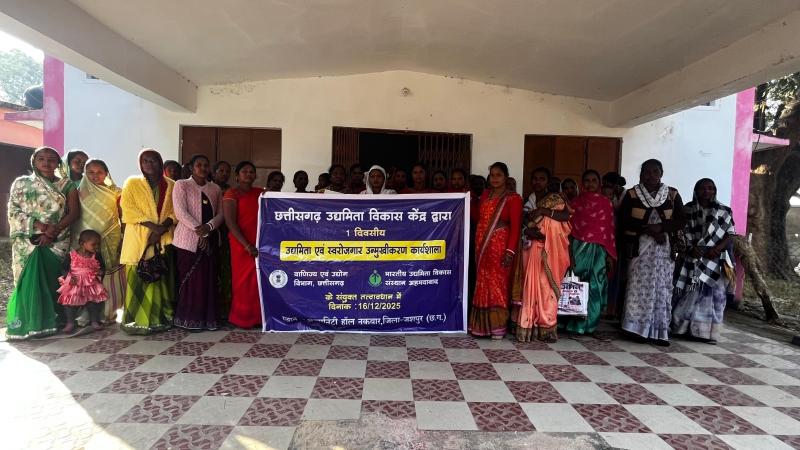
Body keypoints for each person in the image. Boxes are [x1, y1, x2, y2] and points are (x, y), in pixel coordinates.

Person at [6, 147, 80, 339]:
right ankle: (28, 323)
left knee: (52, 279)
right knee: (28, 281)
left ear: (58, 163)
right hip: (27, 241)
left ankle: (52, 321)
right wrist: (39, 225)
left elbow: (73, 213)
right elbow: (13, 211)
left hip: (57, 239)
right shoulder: (21, 183)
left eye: (51, 159)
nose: (46, 163)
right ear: (34, 161)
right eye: (41, 159)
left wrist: (53, 230)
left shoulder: (67, 185)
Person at [619, 159, 685, 346]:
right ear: (641, 174)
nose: (651, 176)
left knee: (662, 288)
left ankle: (658, 331)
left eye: (655, 172)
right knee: (638, 288)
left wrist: (662, 228)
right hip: (639, 248)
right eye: (646, 172)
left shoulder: (671, 194)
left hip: (663, 250)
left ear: (661, 173)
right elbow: (624, 220)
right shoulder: (632, 194)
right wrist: (650, 230)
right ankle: (635, 329)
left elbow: (681, 220)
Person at [119, 149, 177, 335]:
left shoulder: (172, 184)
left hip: (162, 238)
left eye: (153, 160)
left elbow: (175, 211)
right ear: (140, 164)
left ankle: (160, 318)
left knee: (159, 276)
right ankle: (137, 321)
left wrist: (162, 228)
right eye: (145, 161)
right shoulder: (132, 183)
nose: (149, 164)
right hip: (138, 238)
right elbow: (128, 209)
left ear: (160, 162)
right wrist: (153, 227)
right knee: (138, 275)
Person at [672, 178, 734, 344]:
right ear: (696, 190)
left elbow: (730, 234)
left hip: (714, 259)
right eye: (702, 188)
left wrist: (717, 249)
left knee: (713, 296)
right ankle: (682, 328)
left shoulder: (724, 211)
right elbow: (680, 232)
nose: (706, 191)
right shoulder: (687, 209)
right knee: (688, 292)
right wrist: (691, 247)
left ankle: (706, 333)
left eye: (710, 188)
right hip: (692, 256)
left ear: (714, 191)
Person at [514, 167, 571, 343]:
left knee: (546, 287)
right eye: (535, 178)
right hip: (531, 248)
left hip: (550, 250)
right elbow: (521, 222)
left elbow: (566, 216)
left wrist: (544, 211)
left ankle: (547, 326)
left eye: (542, 179)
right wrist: (528, 231)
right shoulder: (528, 200)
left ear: (548, 181)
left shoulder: (555, 199)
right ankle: (529, 326)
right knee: (530, 287)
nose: (538, 182)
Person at [559, 170, 616, 338]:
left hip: (599, 250)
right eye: (587, 181)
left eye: (594, 180)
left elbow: (609, 230)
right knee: (576, 285)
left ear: (599, 183)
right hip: (578, 249)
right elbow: (568, 230)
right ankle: (572, 323)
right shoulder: (575, 203)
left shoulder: (606, 204)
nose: (590, 184)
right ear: (582, 183)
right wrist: (569, 253)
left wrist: (609, 255)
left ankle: (590, 325)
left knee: (596, 286)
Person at [172, 155, 224, 331]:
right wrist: (199, 230)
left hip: (210, 240)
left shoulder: (215, 188)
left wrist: (209, 227)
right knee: (190, 281)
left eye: (205, 165)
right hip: (187, 242)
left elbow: (221, 214)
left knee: (207, 280)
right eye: (198, 165)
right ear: (191, 168)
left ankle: (207, 319)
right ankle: (188, 318)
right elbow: (180, 212)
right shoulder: (181, 185)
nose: (202, 168)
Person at [470, 162, 522, 339]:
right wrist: (469, 199)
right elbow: (478, 218)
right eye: (492, 175)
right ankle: (481, 326)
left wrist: (510, 251)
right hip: (482, 248)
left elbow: (515, 227)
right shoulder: (485, 196)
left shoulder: (513, 198)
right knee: (482, 284)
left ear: (505, 177)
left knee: (498, 285)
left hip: (500, 249)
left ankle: (498, 326)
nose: (495, 178)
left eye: (498, 175)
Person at [74, 159, 125, 323]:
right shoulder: (79, 192)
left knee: (107, 274)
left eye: (99, 172)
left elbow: (122, 214)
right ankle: (85, 313)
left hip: (110, 237)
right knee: (87, 276)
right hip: (86, 239)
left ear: (106, 173)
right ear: (85, 173)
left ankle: (107, 312)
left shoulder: (116, 191)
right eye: (91, 172)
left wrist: (124, 235)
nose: (95, 176)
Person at [224, 161, 264, 329]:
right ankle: (241, 318)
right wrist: (246, 245)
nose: (248, 174)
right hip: (241, 244)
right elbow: (230, 222)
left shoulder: (261, 193)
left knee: (257, 281)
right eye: (244, 171)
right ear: (237, 175)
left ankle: (258, 318)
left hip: (260, 243)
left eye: (251, 171)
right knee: (242, 282)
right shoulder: (232, 193)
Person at [57, 229, 107, 334]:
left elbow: (102, 267)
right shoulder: (71, 255)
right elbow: (64, 268)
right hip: (75, 284)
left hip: (91, 284)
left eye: (98, 244)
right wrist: (68, 277)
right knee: (70, 304)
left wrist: (101, 272)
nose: (97, 247)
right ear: (82, 244)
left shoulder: (96, 255)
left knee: (94, 303)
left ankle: (94, 321)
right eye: (94, 244)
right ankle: (70, 323)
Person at [211, 160, 233, 321]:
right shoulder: (208, 188)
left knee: (226, 271)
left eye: (227, 171)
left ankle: (227, 309)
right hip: (210, 233)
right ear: (214, 173)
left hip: (227, 235)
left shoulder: (231, 191)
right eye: (221, 171)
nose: (224, 174)